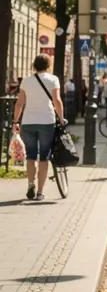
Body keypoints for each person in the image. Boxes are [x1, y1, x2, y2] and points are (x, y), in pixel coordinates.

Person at [12, 54, 64, 201]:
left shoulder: (26, 81)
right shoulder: (53, 79)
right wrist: (61, 118)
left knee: (31, 155)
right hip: (46, 121)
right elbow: (57, 100)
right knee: (44, 157)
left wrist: (16, 121)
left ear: (34, 65)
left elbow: (19, 103)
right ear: (48, 65)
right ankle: (40, 192)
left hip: (28, 122)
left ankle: (30, 184)